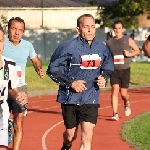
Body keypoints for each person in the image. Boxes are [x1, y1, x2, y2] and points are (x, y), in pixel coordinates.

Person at [47, 14, 114, 150]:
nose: (90, 30)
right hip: (70, 98)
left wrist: (104, 77)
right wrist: (71, 83)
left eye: (93, 27)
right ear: (78, 29)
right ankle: (66, 146)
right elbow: (52, 70)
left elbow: (107, 67)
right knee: (71, 135)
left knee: (87, 135)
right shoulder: (67, 47)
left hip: (91, 97)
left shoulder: (102, 48)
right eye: (86, 27)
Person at [2, 17, 45, 150]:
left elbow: (36, 60)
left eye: (20, 30)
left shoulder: (28, 45)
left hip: (19, 87)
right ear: (8, 29)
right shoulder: (2, 44)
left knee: (19, 121)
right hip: (2, 86)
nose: (16, 33)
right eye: (14, 29)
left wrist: (39, 69)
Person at [106, 20, 140, 121]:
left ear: (123, 29)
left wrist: (129, 54)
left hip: (125, 69)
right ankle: (115, 113)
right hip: (114, 70)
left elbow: (137, 51)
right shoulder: (109, 42)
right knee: (115, 90)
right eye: (115, 28)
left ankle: (126, 103)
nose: (117, 30)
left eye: (119, 28)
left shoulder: (128, 40)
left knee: (123, 93)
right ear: (113, 29)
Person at [0, 25, 27, 150]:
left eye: (0, 41)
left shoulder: (9, 65)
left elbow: (11, 88)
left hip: (2, 113)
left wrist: (19, 95)